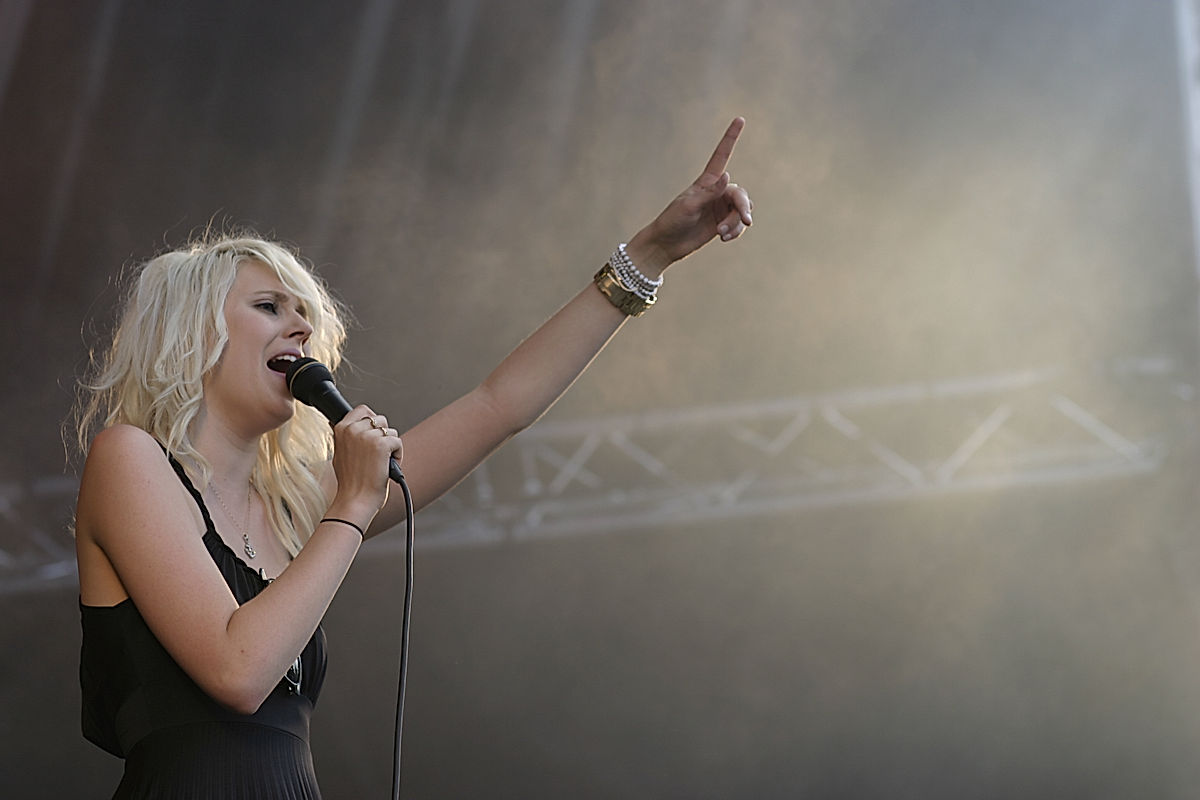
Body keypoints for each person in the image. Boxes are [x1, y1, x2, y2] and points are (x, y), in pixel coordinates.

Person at [72, 117, 754, 798]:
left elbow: (497, 406)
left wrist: (648, 255)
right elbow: (238, 671)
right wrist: (351, 505)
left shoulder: (293, 507)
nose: (301, 326)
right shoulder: (130, 459)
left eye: (304, 313)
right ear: (194, 332)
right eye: (269, 306)